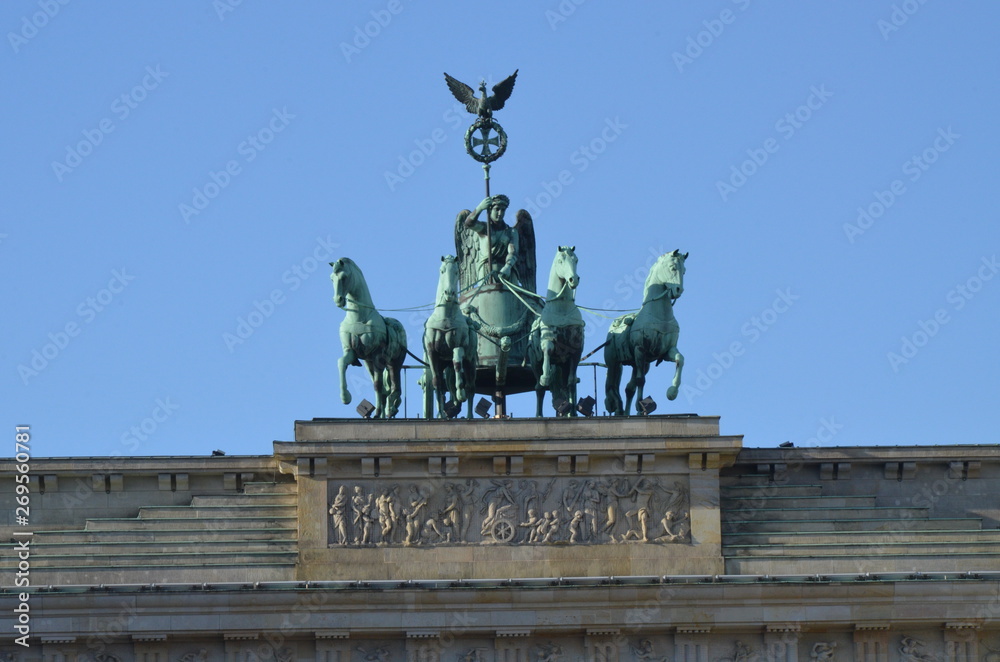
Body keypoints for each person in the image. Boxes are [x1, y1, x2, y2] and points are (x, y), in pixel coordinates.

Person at [464, 195, 520, 284]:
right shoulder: (484, 228)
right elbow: (469, 223)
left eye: (503, 210)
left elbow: (513, 252)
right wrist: (480, 208)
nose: (500, 213)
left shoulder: (511, 232)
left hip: (507, 273)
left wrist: (507, 267)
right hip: (487, 271)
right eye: (497, 209)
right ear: (490, 210)